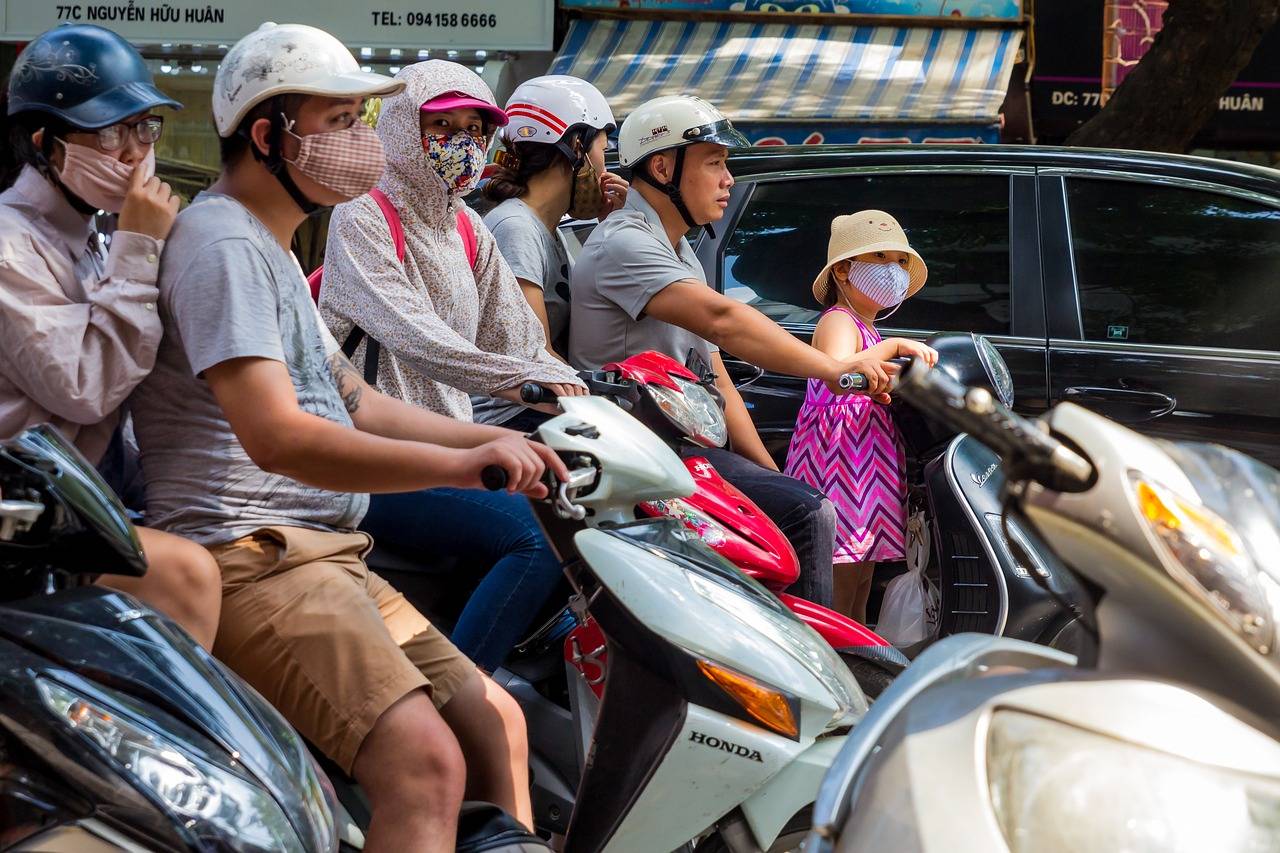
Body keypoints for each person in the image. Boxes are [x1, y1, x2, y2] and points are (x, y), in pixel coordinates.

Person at [129, 24, 562, 851]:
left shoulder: (276, 248)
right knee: (427, 762)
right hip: (255, 556)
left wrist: (498, 442)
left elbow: (353, 397)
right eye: (338, 122)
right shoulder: (222, 246)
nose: (362, 143)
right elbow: (278, 436)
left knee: (495, 721)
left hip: (327, 553)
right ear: (267, 136)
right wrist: (468, 465)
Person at [569, 95, 899, 610]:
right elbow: (725, 321)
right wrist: (834, 369)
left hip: (678, 448)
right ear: (663, 167)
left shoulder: (676, 251)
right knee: (809, 514)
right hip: (639, 454)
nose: (728, 180)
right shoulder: (623, 243)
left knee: (798, 504)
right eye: (715, 164)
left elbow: (715, 375)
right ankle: (811, 680)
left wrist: (771, 473)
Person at [318, 60, 586, 670]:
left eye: (474, 128)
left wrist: (588, 395)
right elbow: (419, 337)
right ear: (403, 126)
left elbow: (517, 337)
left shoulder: (468, 226)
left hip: (451, 449)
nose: (462, 143)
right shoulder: (363, 214)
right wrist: (527, 383)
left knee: (578, 508)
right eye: (445, 126)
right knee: (539, 535)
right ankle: (464, 694)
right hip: (373, 458)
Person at [0, 24, 221, 649]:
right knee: (187, 577)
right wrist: (140, 245)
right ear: (45, 144)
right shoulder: (11, 244)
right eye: (107, 131)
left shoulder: (92, 238)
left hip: (89, 502)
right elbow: (87, 389)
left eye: (142, 127)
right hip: (26, 515)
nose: (132, 152)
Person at [783, 212, 938, 621]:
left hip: (867, 465)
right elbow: (838, 370)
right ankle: (837, 660)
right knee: (842, 574)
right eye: (881, 257)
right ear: (844, 271)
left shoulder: (870, 331)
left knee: (862, 576)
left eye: (900, 262)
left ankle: (855, 661)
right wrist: (893, 348)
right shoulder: (838, 320)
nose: (894, 271)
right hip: (842, 466)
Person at [481, 75, 629, 432]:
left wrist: (609, 226)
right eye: (603, 151)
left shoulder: (546, 229)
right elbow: (536, 350)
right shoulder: (516, 228)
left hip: (541, 407)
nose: (605, 168)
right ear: (577, 146)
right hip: (510, 417)